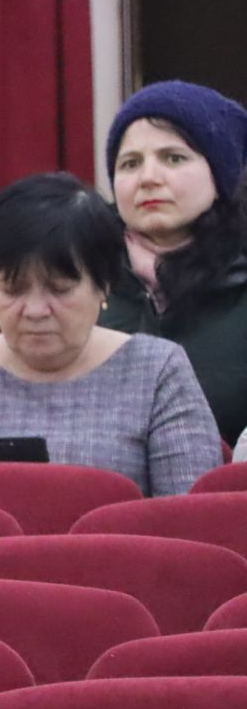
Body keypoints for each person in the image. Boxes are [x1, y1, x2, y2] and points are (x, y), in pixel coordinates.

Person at [0, 173, 218, 495]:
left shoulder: (157, 371)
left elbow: (191, 523)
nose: (35, 310)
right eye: (13, 290)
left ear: (104, 285)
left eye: (59, 290)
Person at [100, 80, 247, 444]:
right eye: (130, 163)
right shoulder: (80, 275)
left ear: (221, 174)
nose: (149, 178)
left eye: (174, 158)